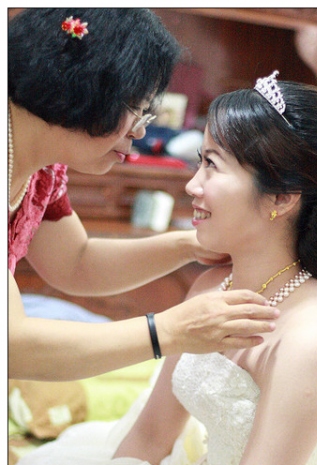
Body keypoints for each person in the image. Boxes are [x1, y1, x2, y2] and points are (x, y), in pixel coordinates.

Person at [9, 72, 317, 465]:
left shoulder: (312, 339)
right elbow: (150, 436)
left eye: (212, 165)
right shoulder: (213, 285)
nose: (192, 185)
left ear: (281, 197)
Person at [8, 8, 279, 383]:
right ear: (85, 87)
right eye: (137, 110)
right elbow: (13, 346)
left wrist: (190, 246)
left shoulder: (43, 172)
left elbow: (75, 261)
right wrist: (168, 331)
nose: (139, 133)